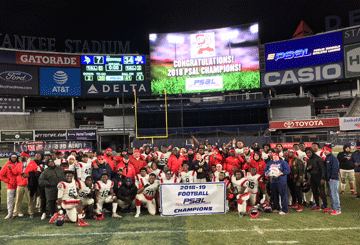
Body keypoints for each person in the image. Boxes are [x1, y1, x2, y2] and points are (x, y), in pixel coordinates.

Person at [11, 152, 38, 219]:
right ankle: (15, 213)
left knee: (30, 200)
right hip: (20, 184)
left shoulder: (33, 163)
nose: (20, 157)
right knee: (18, 200)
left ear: (26, 156)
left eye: (22, 156)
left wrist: (28, 175)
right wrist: (11, 168)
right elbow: (15, 172)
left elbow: (35, 173)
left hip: (28, 184)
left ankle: (31, 213)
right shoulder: (19, 163)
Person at [323, 144, 341, 215]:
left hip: (333, 179)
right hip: (329, 179)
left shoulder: (333, 158)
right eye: (325, 150)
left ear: (330, 150)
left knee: (334, 194)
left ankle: (337, 209)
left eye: (327, 150)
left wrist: (332, 177)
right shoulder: (327, 158)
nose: (325, 151)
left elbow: (335, 168)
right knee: (331, 194)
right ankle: (333, 208)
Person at [0, 154, 19, 219]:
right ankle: (10, 212)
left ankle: (17, 212)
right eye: (13, 157)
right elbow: (1, 175)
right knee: (10, 200)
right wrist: (8, 181)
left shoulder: (19, 165)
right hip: (10, 186)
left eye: (15, 157)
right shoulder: (6, 166)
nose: (14, 159)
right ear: (10, 158)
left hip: (19, 185)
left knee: (18, 199)